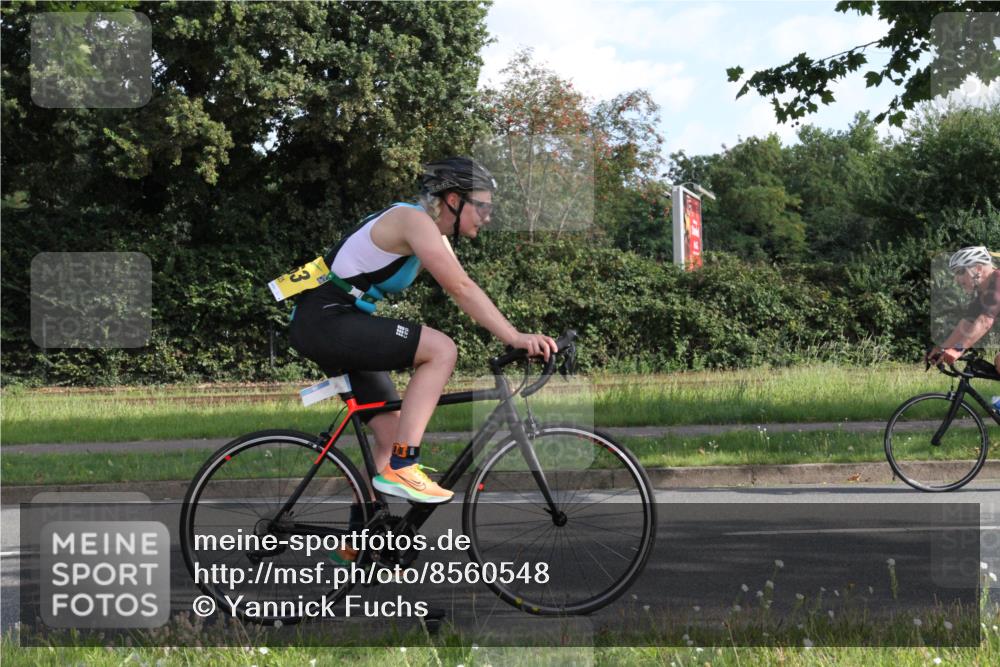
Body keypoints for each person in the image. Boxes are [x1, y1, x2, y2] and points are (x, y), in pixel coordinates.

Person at [288, 157, 557, 509]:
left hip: (336, 320)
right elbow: (460, 288)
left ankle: (363, 536)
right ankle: (404, 466)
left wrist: (514, 335)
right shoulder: (413, 220)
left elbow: (465, 287)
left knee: (391, 432)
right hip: (325, 319)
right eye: (483, 207)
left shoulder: (432, 232)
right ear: (453, 200)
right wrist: (515, 337)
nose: (488, 217)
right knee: (441, 350)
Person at [927, 245, 1000, 376]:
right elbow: (966, 323)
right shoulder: (984, 292)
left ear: (978, 268)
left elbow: (985, 321)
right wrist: (942, 348)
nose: (956, 279)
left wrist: (958, 349)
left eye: (960, 272)